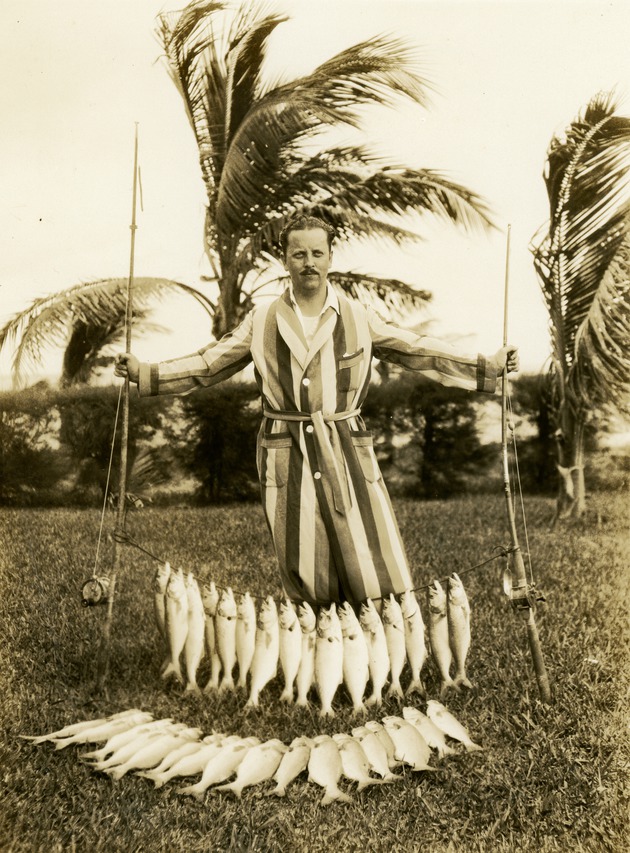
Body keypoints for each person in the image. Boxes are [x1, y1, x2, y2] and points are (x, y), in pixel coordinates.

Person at [115, 213, 519, 608]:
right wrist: (145, 374)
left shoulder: (359, 317)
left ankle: (384, 645)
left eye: (317, 254)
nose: (309, 263)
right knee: (303, 553)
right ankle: (318, 647)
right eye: (299, 254)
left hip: (345, 445)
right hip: (285, 446)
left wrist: (487, 366)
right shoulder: (263, 320)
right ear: (285, 260)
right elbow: (208, 364)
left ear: (330, 258)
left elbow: (418, 350)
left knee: (371, 549)